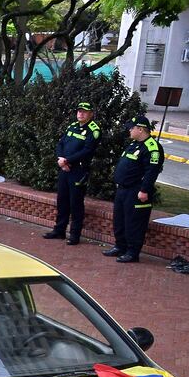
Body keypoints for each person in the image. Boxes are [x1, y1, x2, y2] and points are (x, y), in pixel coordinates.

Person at [104, 116, 164, 263]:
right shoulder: (134, 144)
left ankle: (132, 252)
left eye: (132, 128)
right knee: (120, 220)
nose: (129, 130)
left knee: (134, 223)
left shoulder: (152, 147)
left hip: (136, 191)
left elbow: (152, 171)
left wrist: (144, 190)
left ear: (141, 129)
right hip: (123, 190)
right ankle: (120, 246)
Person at [44, 102, 101, 245]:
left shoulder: (93, 130)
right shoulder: (72, 126)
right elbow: (61, 143)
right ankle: (59, 230)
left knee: (75, 203)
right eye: (79, 111)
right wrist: (61, 159)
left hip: (78, 171)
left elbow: (87, 151)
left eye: (84, 112)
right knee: (62, 201)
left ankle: (74, 235)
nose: (80, 114)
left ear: (90, 114)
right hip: (64, 169)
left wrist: (67, 160)